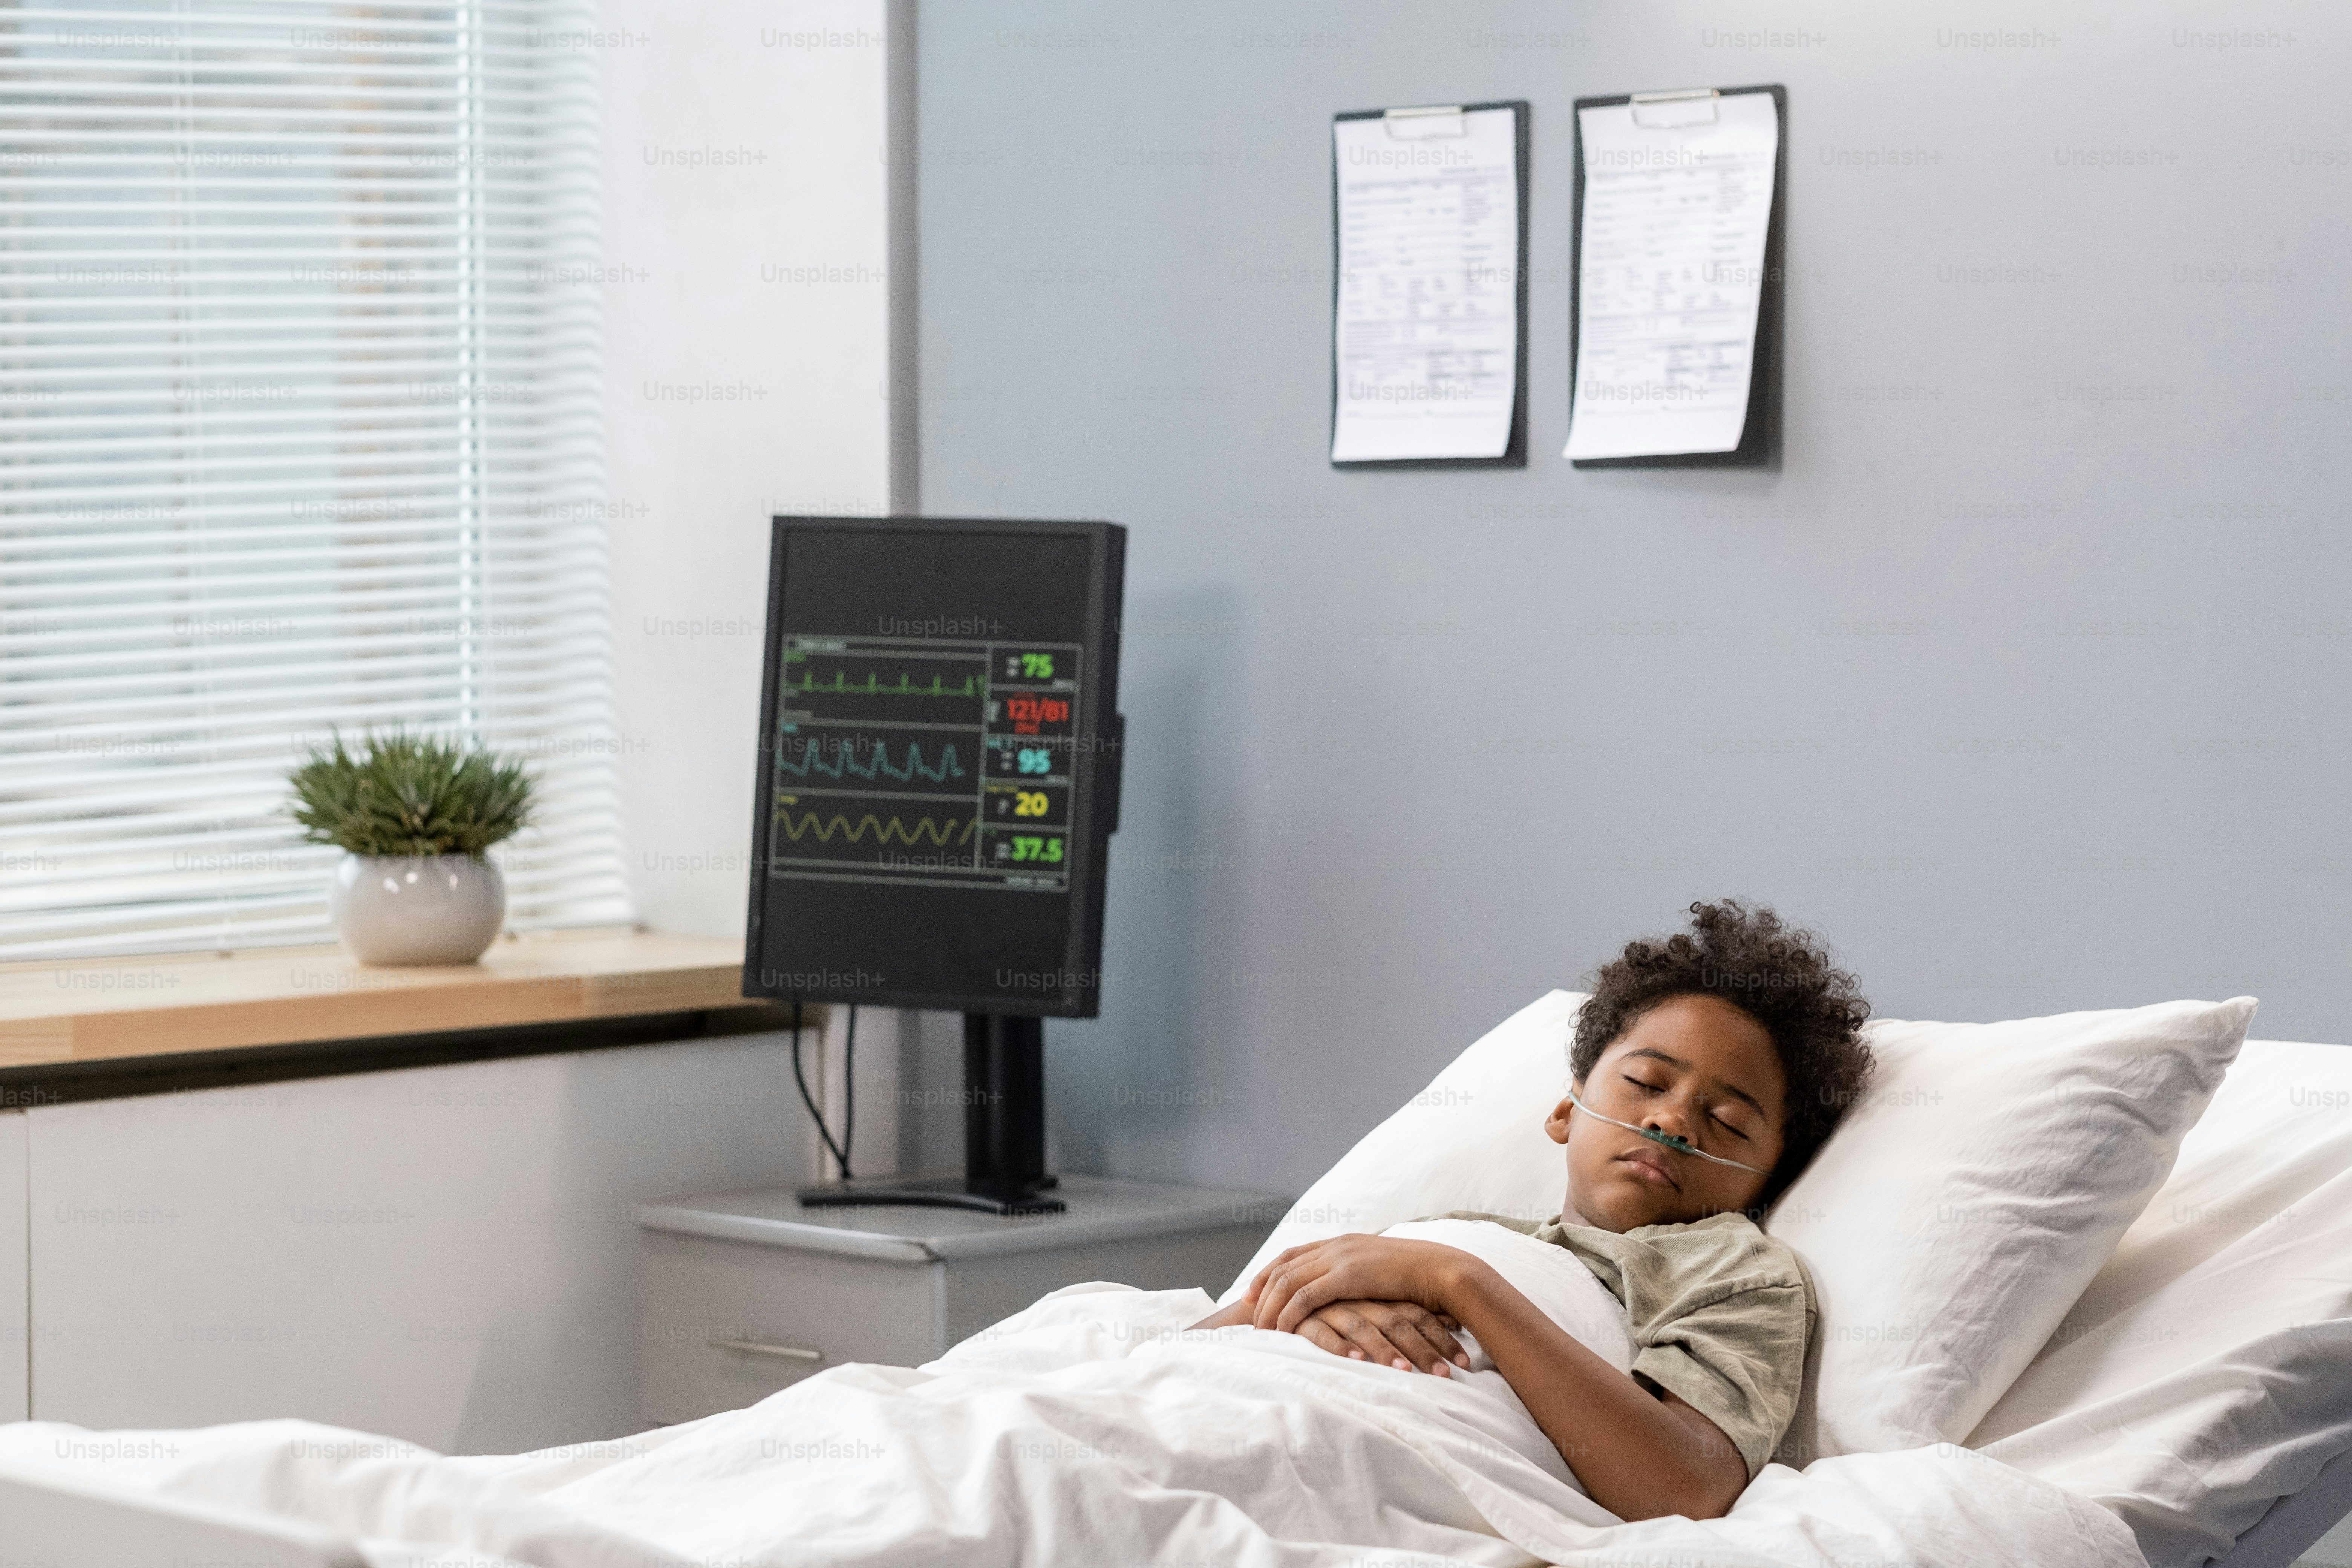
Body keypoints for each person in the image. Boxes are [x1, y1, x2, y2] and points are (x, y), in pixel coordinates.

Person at [1190, 898, 1874, 1524]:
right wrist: (1318, 1309)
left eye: (1725, 1121)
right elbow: (1202, 1343)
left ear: (1767, 1180)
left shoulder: (1737, 1269)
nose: (1671, 1120)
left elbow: (1685, 1487)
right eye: (1644, 1084)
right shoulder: (1447, 1235)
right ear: (1563, 1112)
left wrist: (1457, 1283)